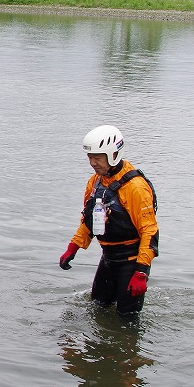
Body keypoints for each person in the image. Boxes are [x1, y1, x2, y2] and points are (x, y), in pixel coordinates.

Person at [59, 125, 159, 316]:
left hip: (131, 263)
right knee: (97, 310)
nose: (92, 163)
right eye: (90, 157)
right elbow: (88, 220)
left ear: (113, 154)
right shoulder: (95, 182)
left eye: (98, 157)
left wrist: (141, 273)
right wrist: (73, 248)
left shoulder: (135, 188)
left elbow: (150, 231)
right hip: (108, 259)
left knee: (127, 320)